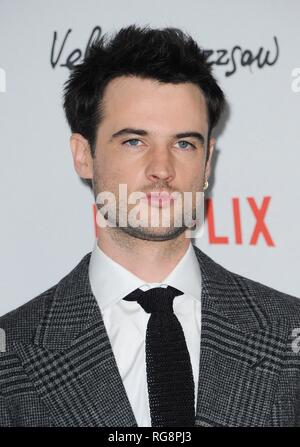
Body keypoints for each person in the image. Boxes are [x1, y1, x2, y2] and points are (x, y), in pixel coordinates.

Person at [0, 25, 300, 428]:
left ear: (207, 161)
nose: (162, 169)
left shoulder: (288, 332)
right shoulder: (12, 352)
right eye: (134, 142)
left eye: (184, 144)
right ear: (83, 155)